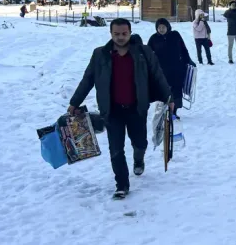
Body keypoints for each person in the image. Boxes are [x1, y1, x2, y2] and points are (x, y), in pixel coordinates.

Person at [68, 18, 173, 199]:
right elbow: (88, 79)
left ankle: (138, 159)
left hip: (136, 107)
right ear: (111, 34)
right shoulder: (100, 54)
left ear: (130, 32)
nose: (120, 37)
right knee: (116, 149)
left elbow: (157, 76)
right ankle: (122, 185)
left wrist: (168, 98)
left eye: (124, 33)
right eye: (116, 34)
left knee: (140, 143)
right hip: (111, 110)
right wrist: (74, 102)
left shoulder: (143, 52)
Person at [147, 18, 196, 120]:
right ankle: (164, 111)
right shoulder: (154, 38)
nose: (161, 29)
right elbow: (148, 54)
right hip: (162, 70)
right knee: (164, 91)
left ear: (167, 27)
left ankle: (174, 111)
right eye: (159, 27)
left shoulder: (175, 35)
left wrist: (188, 60)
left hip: (177, 69)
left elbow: (183, 49)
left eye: (163, 27)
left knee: (177, 90)